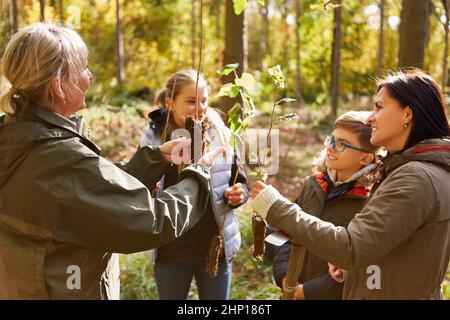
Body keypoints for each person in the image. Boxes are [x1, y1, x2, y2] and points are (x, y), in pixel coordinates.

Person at [0, 23, 222, 299]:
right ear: (58, 86)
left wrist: (154, 159)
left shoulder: (16, 135)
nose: (89, 76)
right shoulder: (59, 158)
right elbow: (153, 221)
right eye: (82, 69)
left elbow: (83, 192)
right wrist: (199, 174)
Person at [251, 69, 450, 299]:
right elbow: (399, 248)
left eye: (379, 107)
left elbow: (351, 248)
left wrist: (277, 208)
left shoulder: (415, 178)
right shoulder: (417, 170)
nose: (370, 118)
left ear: (407, 114)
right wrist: (357, 270)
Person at [140, 70, 248, 300]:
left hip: (214, 246)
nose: (200, 108)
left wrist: (239, 194)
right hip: (170, 248)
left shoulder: (220, 133)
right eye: (191, 101)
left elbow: (239, 179)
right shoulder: (153, 138)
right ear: (170, 103)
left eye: (204, 100)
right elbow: (140, 186)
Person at [272, 111, 380, 300]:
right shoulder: (313, 185)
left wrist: (309, 292)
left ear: (365, 159)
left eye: (341, 145)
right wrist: (284, 276)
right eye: (331, 140)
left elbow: (362, 265)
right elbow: (282, 233)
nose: (330, 148)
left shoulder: (370, 201)